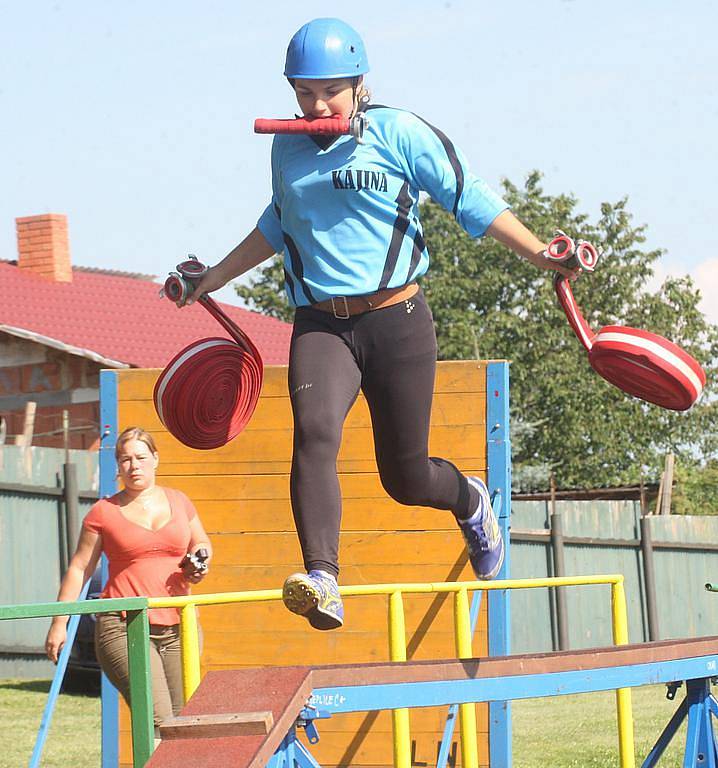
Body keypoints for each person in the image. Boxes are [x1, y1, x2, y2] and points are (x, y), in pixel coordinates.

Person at [181, 18, 579, 631]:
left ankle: (470, 500)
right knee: (313, 434)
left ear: (360, 82)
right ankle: (322, 579)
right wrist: (211, 278)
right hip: (321, 326)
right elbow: (277, 224)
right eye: (303, 91)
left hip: (397, 321)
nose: (316, 105)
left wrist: (540, 255)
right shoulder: (285, 147)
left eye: (330, 91)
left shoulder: (398, 132)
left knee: (405, 475)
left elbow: (469, 197)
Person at [45, 426, 212, 729]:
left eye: (140, 457)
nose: (134, 466)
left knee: (186, 722)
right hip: (124, 625)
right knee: (160, 721)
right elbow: (80, 568)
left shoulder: (179, 501)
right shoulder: (103, 512)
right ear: (118, 466)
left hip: (180, 625)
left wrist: (199, 562)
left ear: (155, 459)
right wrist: (59, 623)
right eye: (125, 460)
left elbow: (201, 543)